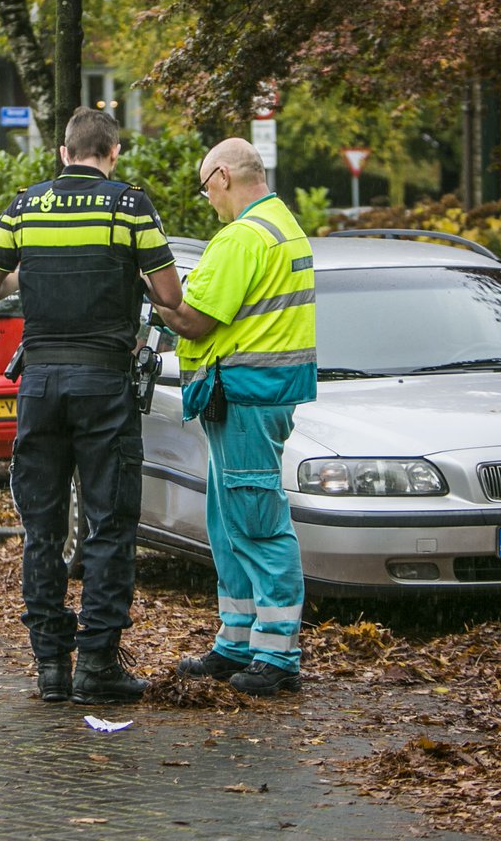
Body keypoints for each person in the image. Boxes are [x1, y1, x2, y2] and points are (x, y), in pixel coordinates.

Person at [0, 108, 182, 705]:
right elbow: (169, 296)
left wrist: (34, 274)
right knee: (109, 523)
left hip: (39, 384)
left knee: (42, 528)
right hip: (103, 385)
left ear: (63, 153)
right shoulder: (129, 207)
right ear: (113, 153)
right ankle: (96, 663)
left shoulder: (24, 208)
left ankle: (50, 667)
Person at [153, 138, 316, 697]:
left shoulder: (242, 237)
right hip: (260, 395)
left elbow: (194, 320)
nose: (209, 201)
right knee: (230, 524)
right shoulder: (282, 227)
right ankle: (238, 640)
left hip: (246, 395)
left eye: (206, 189)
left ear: (222, 176)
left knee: (256, 522)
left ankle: (276, 654)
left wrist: (152, 290)